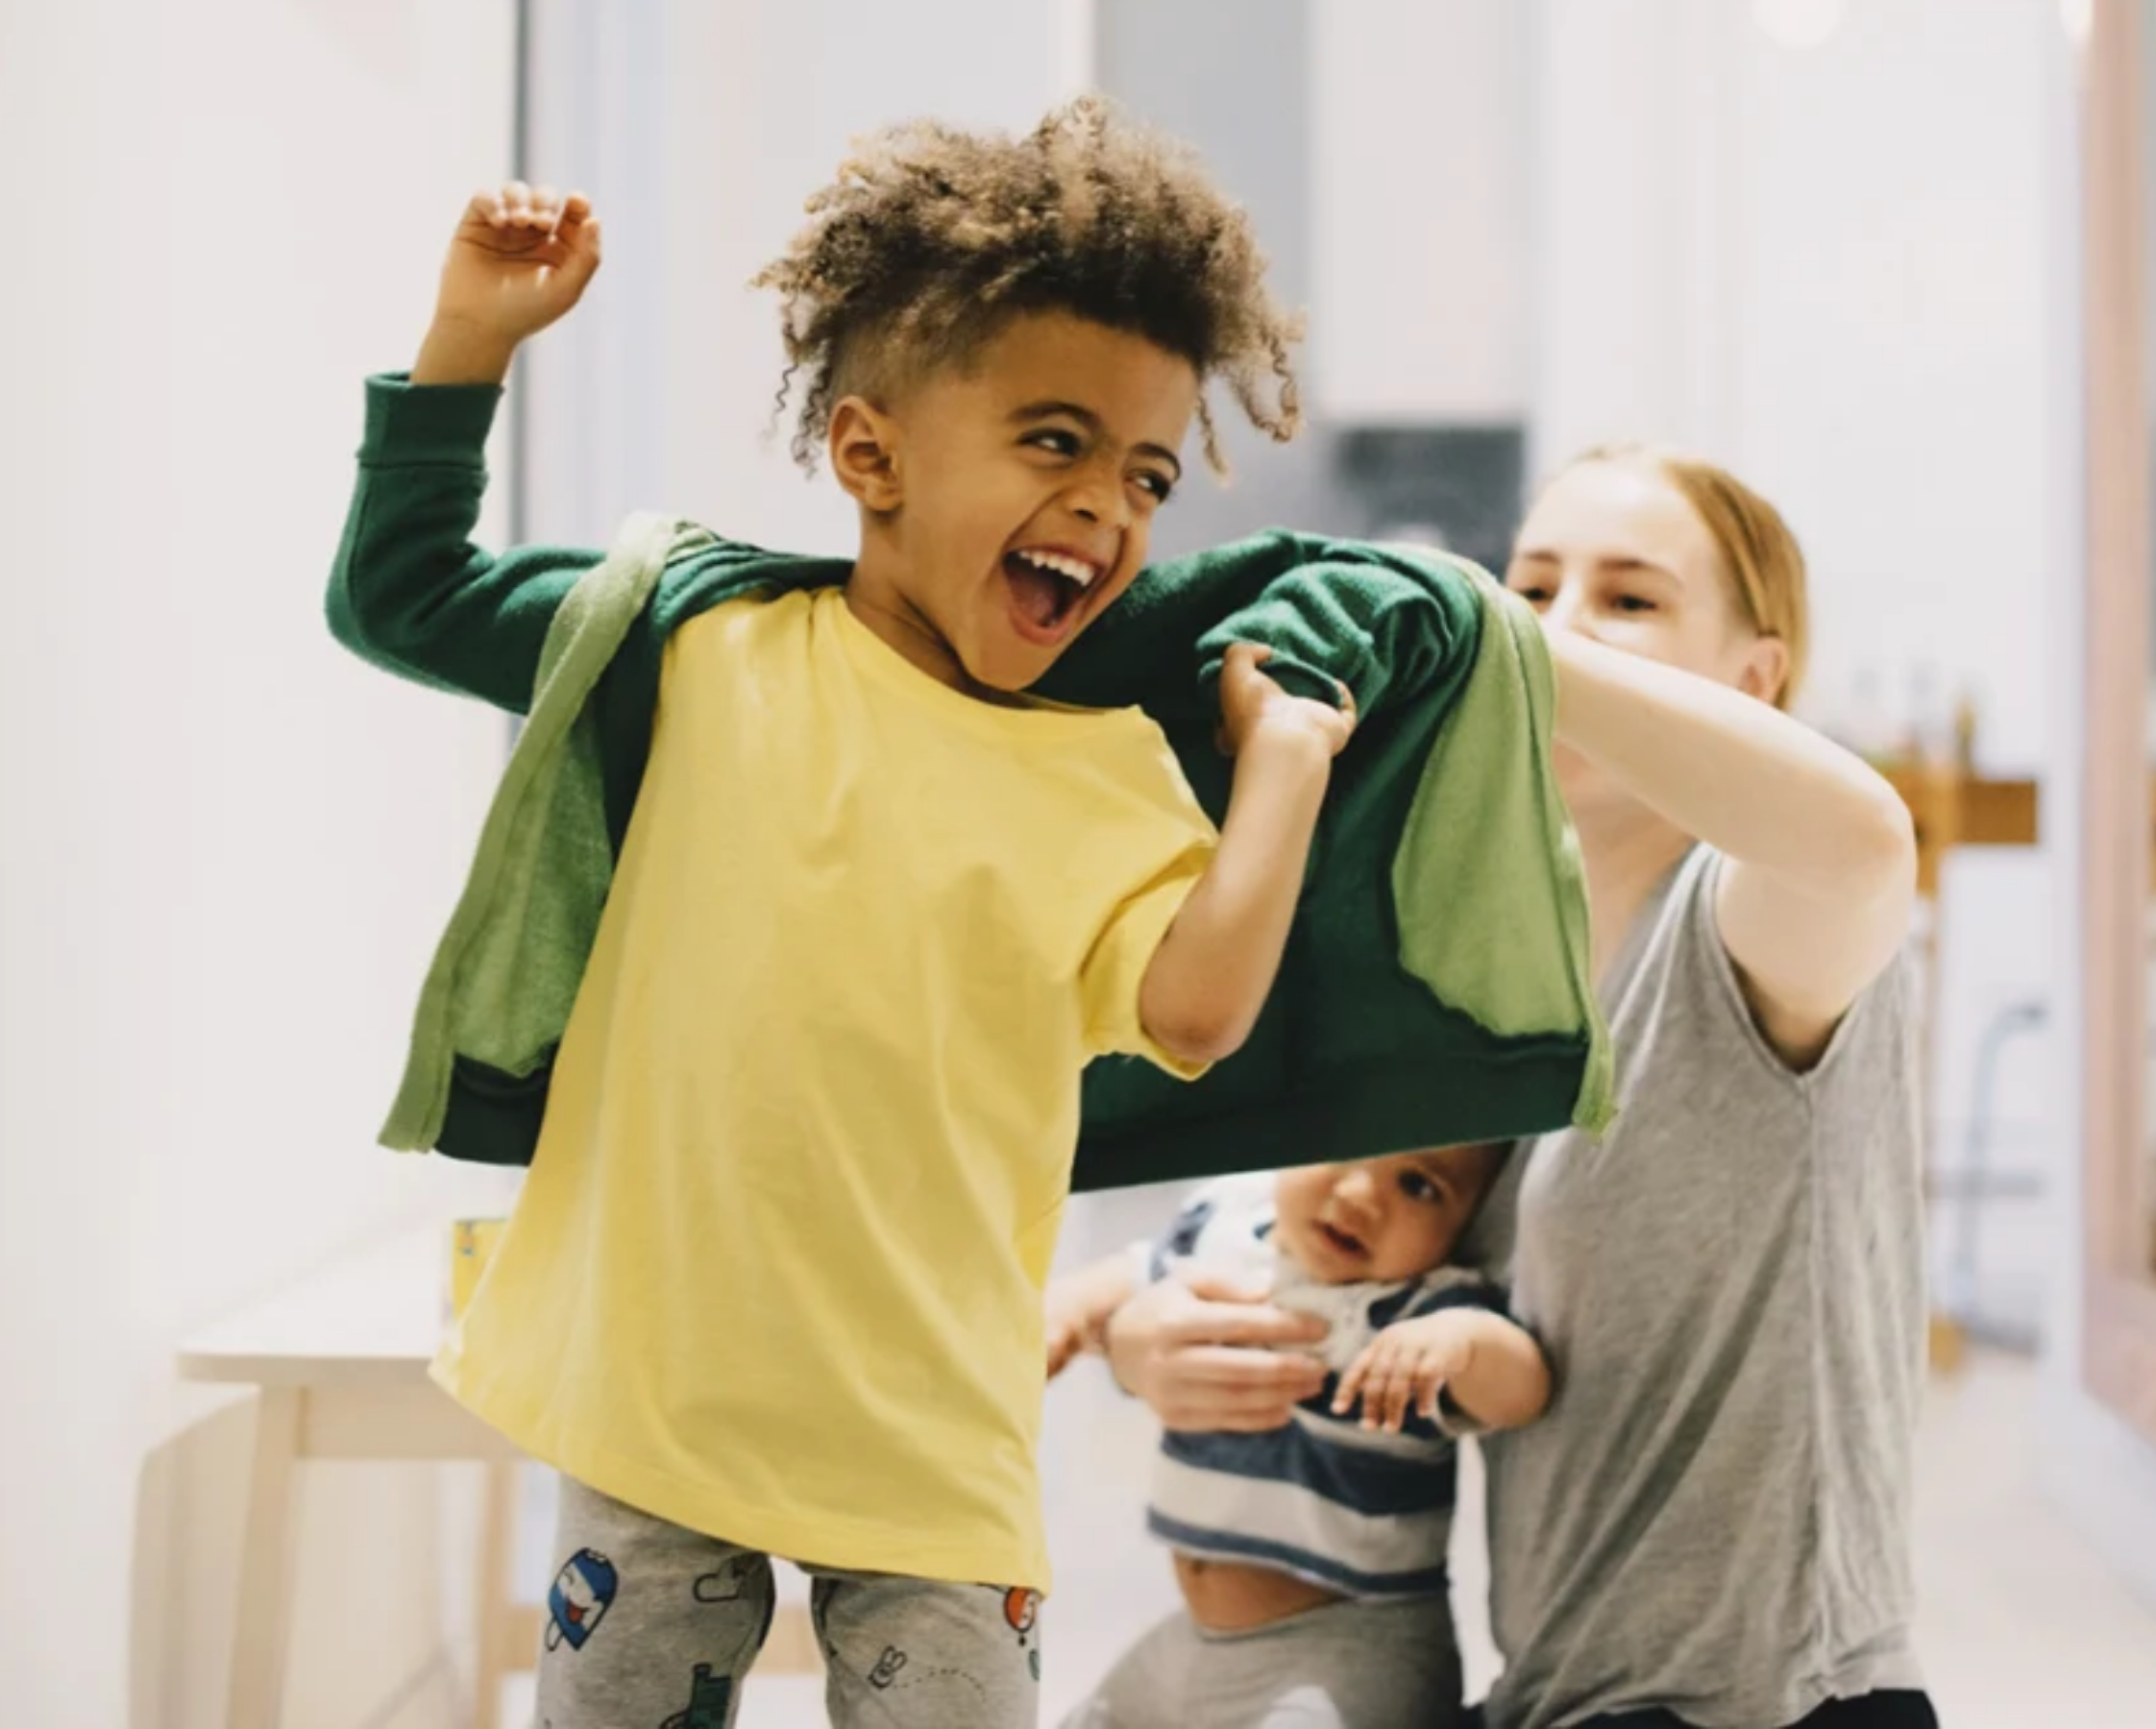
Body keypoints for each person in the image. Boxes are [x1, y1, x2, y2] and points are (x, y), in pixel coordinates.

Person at [329, 100, 1353, 1729]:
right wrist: (468, 341)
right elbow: (402, 599)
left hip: (934, 1432)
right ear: (869, 455)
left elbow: (1195, 1011)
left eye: (1146, 472)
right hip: (662, 1394)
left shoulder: (1109, 775)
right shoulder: (698, 648)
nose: (1108, 505)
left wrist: (1281, 768)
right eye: (1055, 441)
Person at [1096, 448, 1937, 1729]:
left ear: (1755, 680)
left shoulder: (1744, 923)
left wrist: (1491, 632)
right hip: (1558, 1696)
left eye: (1631, 599)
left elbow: (1867, 843)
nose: (1556, 626)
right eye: (1533, 586)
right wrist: (1144, 1337)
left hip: (1760, 1709)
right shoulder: (1492, 964)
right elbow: (1327, 1248)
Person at [1046, 1147, 1548, 1728]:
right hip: (1190, 1638)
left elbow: (1523, 1391)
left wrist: (1464, 1341)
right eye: (1345, 1146)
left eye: (1419, 1186)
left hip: (1349, 1649)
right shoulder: (1233, 1228)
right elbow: (1129, 1272)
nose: (1361, 1195)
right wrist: (1061, 1315)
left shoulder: (1415, 1311)